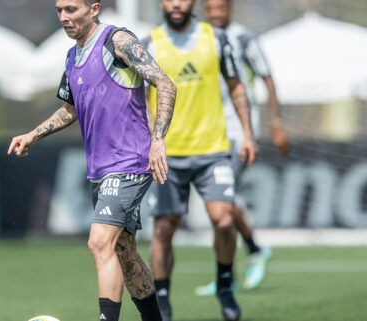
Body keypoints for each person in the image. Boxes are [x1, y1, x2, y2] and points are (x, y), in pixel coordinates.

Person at [8, 1, 177, 320]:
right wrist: (34, 133)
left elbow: (165, 83)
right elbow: (70, 108)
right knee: (124, 253)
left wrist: (158, 141)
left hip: (130, 162)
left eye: (71, 9)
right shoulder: (72, 56)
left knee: (100, 242)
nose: (63, 17)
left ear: (94, 9)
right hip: (100, 169)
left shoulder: (118, 41)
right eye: (59, 10)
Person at [143, 0, 257, 320]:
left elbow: (237, 85)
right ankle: (162, 299)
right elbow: (139, 97)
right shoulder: (149, 44)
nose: (176, 3)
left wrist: (248, 133)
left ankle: (224, 284)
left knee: (223, 218)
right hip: (168, 155)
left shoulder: (216, 39)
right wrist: (151, 140)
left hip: (214, 151)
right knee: (165, 228)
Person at [194, 0, 291, 297]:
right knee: (222, 204)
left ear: (230, 7)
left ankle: (230, 273)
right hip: (206, 133)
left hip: (238, 132)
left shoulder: (245, 38)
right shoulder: (198, 38)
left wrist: (276, 123)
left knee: (221, 203)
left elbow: (268, 79)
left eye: (219, 6)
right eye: (209, 7)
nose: (214, 12)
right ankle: (252, 250)